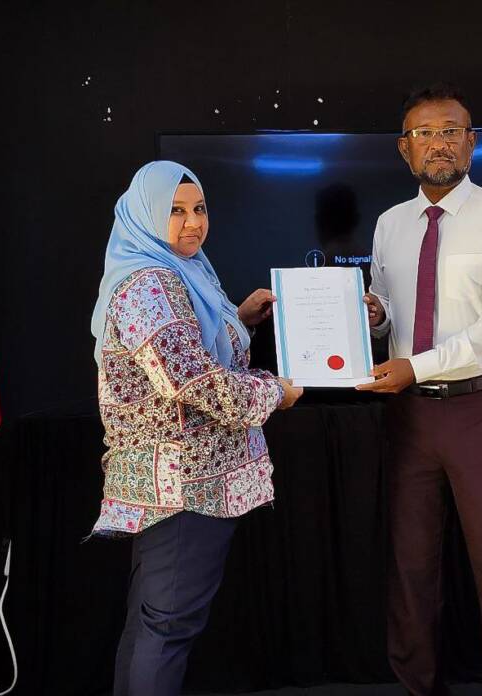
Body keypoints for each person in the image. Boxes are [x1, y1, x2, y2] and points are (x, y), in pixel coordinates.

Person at [90, 160, 303, 696]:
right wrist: (274, 392)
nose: (193, 222)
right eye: (176, 211)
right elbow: (194, 382)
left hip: (178, 485)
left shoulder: (180, 272)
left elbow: (184, 346)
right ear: (145, 215)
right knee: (168, 627)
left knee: (153, 622)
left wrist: (238, 317)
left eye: (200, 208)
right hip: (183, 488)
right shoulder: (147, 284)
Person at [357, 84, 482, 696]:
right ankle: (418, 687)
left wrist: (419, 364)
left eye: (452, 131)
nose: (440, 143)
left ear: (471, 142)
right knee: (411, 566)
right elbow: (390, 316)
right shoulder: (389, 224)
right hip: (409, 415)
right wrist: (375, 318)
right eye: (426, 133)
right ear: (404, 148)